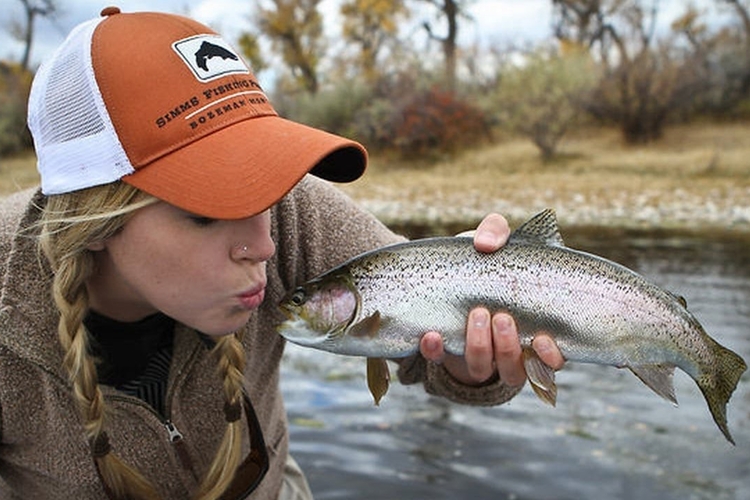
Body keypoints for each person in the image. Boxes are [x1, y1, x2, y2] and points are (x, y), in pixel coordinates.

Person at [0, 7, 564, 500]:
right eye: (206, 209)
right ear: (91, 218)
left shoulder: (296, 211)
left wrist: (470, 357)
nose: (266, 245)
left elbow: (427, 344)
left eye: (262, 184)